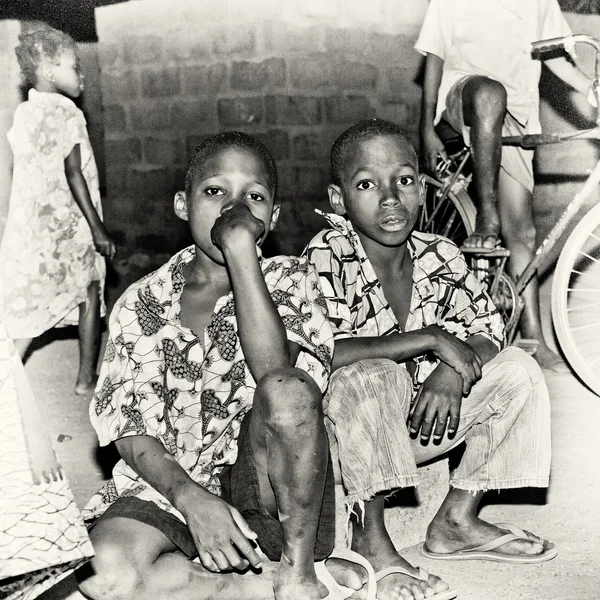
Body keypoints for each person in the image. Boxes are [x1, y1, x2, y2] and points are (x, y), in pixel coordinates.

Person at [73, 132, 374, 600]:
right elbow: (129, 427)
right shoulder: (140, 303)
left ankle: (297, 574)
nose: (234, 208)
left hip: (268, 489)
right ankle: (254, 585)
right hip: (171, 483)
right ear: (182, 204)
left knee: (288, 387)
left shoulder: (291, 279)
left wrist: (240, 253)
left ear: (270, 218)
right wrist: (192, 501)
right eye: (215, 191)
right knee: (104, 576)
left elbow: (281, 378)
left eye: (252, 197)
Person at [304, 119, 554, 600]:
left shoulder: (440, 253)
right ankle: (371, 539)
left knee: (519, 370)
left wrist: (452, 370)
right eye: (366, 185)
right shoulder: (328, 254)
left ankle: (456, 519)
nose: (390, 197)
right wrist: (429, 339)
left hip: (425, 424)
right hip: (348, 439)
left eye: (404, 180)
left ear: (423, 188)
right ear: (339, 200)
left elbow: (486, 329)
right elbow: (324, 351)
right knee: (370, 372)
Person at [415, 0, 596, 369]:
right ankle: (486, 213)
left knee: (523, 234)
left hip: (517, 114)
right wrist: (425, 127)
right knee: (489, 93)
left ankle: (532, 338)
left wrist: (590, 87)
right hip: (466, 98)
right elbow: (434, 57)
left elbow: (555, 56)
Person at [0, 24, 116, 395]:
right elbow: (73, 173)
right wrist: (97, 228)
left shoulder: (25, 114)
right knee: (90, 290)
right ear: (50, 72)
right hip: (73, 226)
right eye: (73, 66)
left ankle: (6, 372)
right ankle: (85, 378)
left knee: (33, 304)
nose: (80, 74)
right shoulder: (68, 114)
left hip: (37, 229)